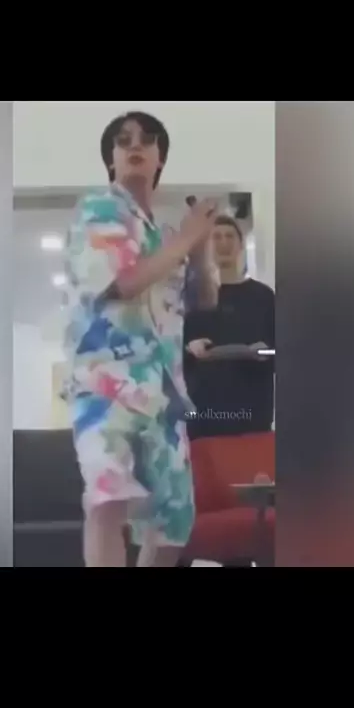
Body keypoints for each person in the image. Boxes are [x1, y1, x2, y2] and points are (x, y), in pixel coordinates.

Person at [64, 111, 218, 567]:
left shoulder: (165, 234)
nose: (136, 145)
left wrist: (201, 245)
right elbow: (124, 283)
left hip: (163, 394)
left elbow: (205, 299)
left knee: (174, 523)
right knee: (108, 497)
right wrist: (186, 238)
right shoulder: (99, 211)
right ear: (111, 159)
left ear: (159, 159)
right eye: (123, 139)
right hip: (105, 385)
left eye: (147, 140)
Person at [185, 215, 275, 440]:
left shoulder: (264, 297)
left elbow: (280, 352)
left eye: (229, 236)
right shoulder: (191, 298)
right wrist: (189, 348)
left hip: (254, 416)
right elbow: (172, 352)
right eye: (216, 237)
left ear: (241, 244)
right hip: (203, 417)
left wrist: (265, 352)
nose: (223, 242)